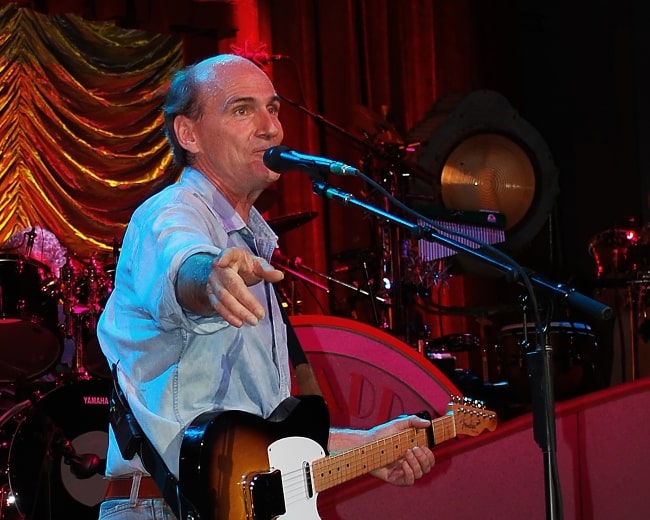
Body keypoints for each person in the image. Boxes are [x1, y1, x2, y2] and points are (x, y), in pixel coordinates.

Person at [96, 53, 435, 519]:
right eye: (242, 110)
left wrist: (366, 448)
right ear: (188, 133)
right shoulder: (172, 212)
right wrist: (212, 277)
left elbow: (255, 446)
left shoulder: (250, 241)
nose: (270, 128)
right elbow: (185, 266)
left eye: (273, 109)